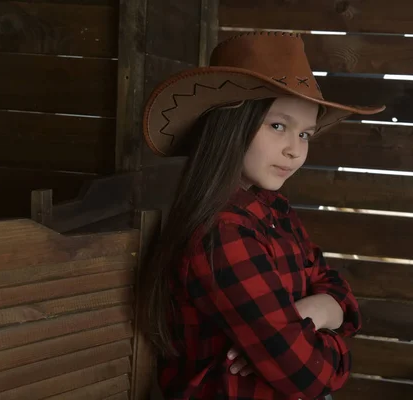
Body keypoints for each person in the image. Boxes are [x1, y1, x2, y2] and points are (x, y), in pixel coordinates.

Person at [138, 31, 385, 399]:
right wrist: (326, 342)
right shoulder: (223, 232)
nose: (294, 151)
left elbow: (339, 293)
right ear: (229, 126)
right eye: (278, 126)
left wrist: (316, 311)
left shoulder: (274, 211)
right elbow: (308, 375)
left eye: (305, 134)